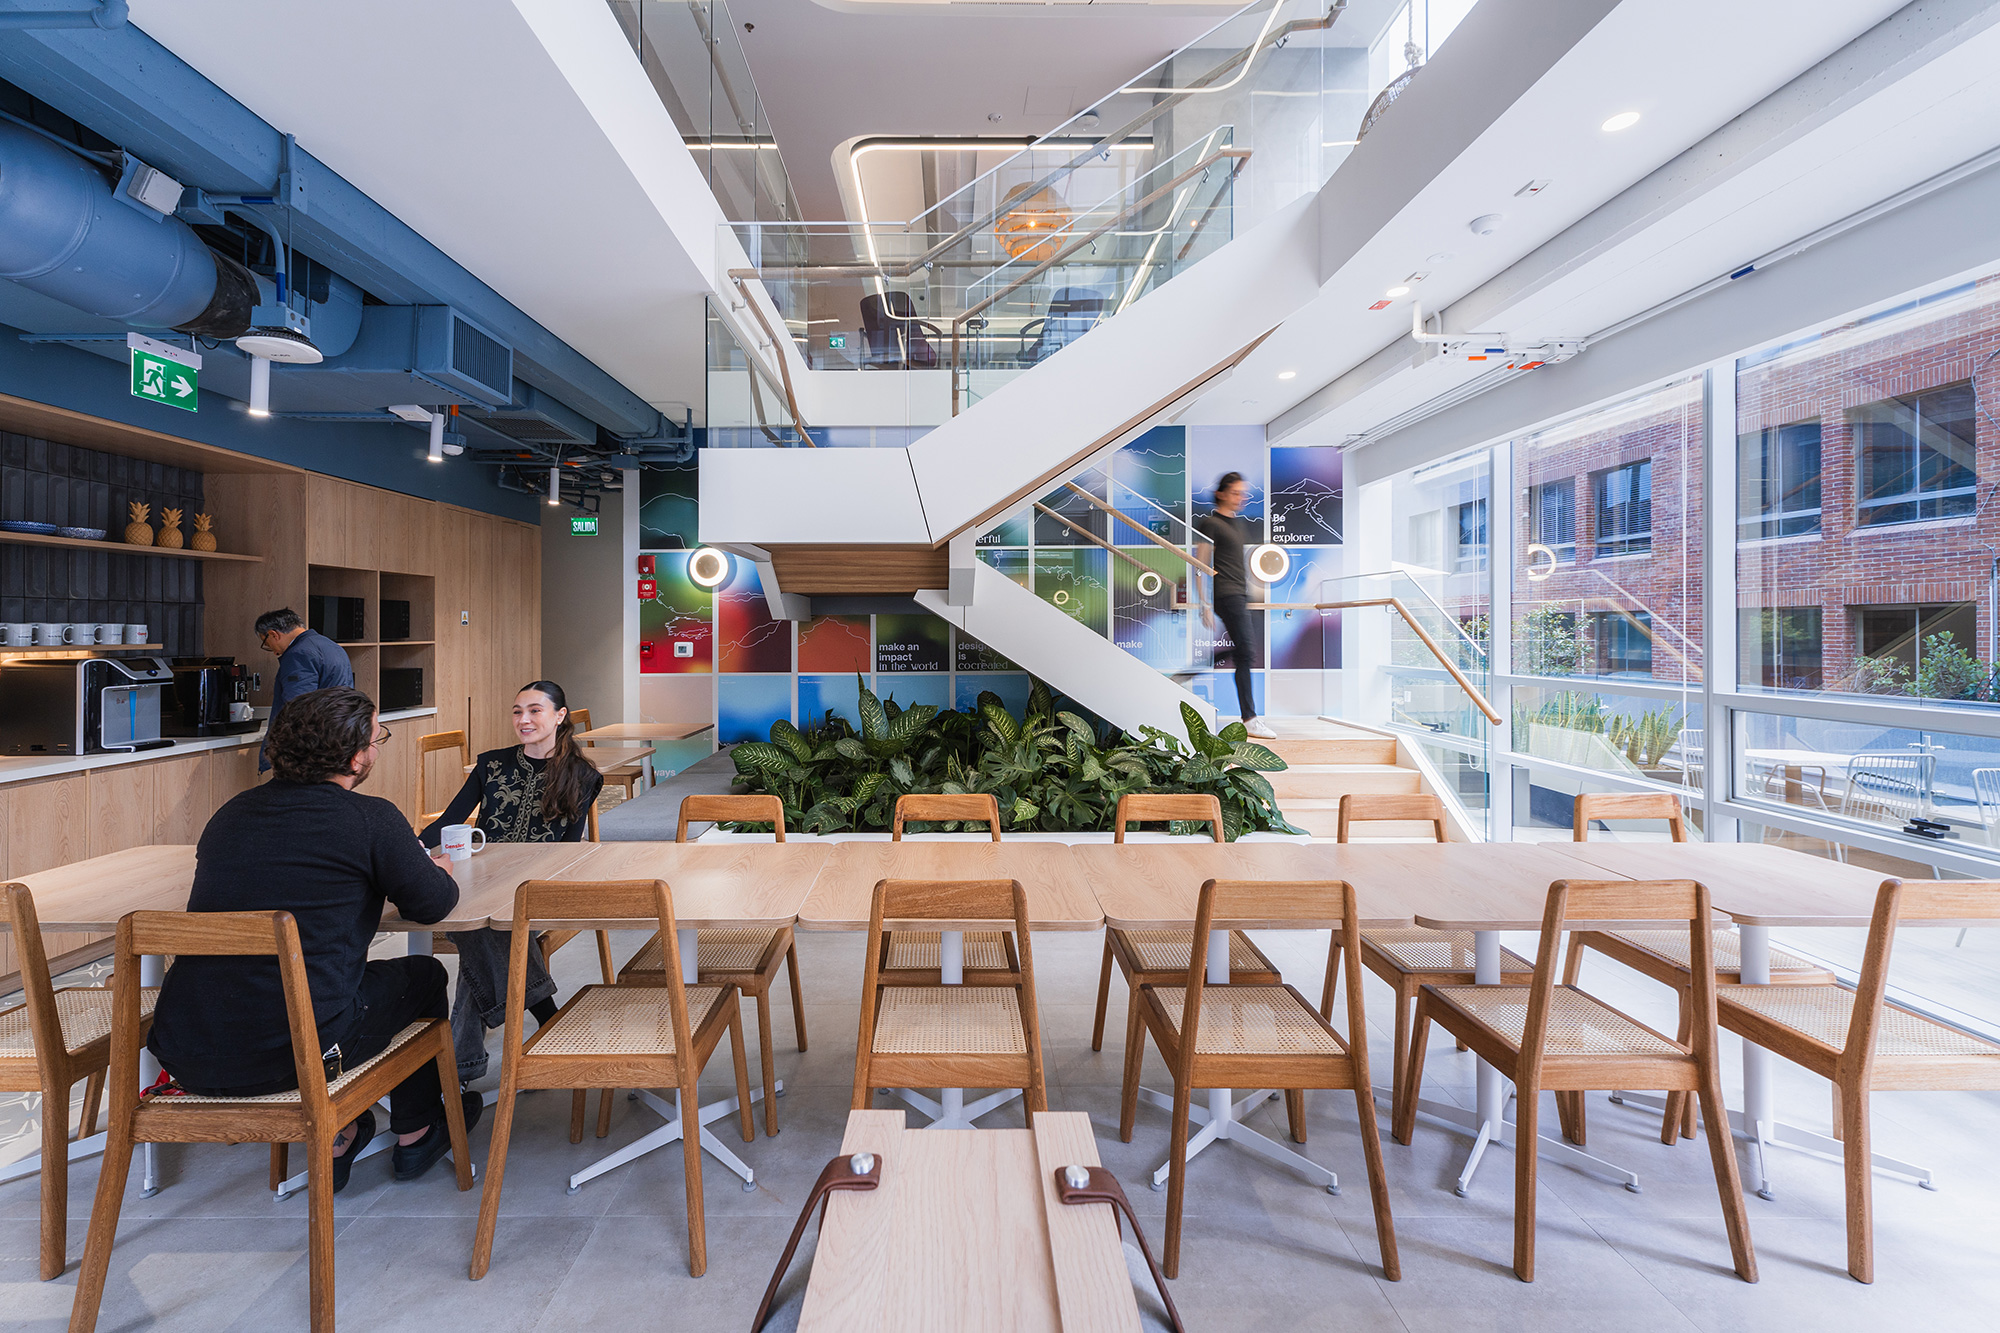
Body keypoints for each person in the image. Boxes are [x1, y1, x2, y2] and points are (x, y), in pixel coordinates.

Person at [147, 687, 482, 1191]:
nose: (376, 750)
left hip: (187, 1052)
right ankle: (415, 1132)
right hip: (297, 1056)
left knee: (313, 987)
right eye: (376, 740)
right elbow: (431, 905)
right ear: (354, 758)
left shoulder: (231, 815)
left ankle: (345, 1129)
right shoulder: (370, 819)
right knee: (424, 974)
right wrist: (435, 868)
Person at [421, 680, 605, 1083]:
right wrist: (410, 852)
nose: (523, 719)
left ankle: (460, 1072)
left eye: (535, 711)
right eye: (517, 711)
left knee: (482, 932)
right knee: (483, 932)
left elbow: (568, 850)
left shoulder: (582, 776)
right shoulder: (490, 764)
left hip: (538, 889)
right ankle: (550, 1021)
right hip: (477, 879)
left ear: (560, 717)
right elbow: (449, 822)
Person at [1193, 471, 1278, 740]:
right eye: (1235, 492)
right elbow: (1200, 564)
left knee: (1243, 651)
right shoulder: (1211, 523)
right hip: (1225, 594)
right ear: (1221, 493)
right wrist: (1204, 603)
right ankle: (1250, 719)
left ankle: (1191, 670)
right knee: (1247, 651)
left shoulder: (1239, 524)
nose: (1240, 498)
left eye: (1243, 493)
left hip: (1239, 594)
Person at [255, 607, 354, 772]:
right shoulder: (330, 645)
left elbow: (298, 707)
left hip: (311, 749)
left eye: (266, 643)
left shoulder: (298, 654)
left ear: (273, 634)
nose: (272, 651)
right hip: (338, 738)